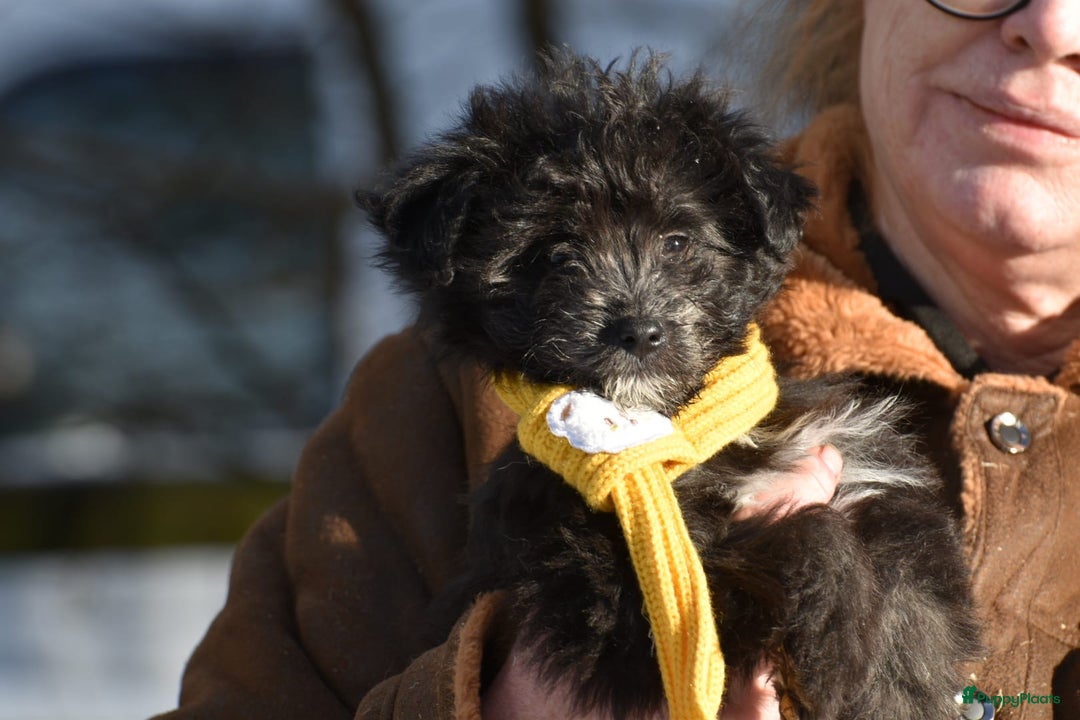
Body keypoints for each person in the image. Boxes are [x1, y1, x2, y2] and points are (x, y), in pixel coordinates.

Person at [153, 0, 1080, 717]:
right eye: (557, 258)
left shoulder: (735, 216)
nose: (1051, 25)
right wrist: (489, 702)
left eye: (676, 249)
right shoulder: (443, 413)